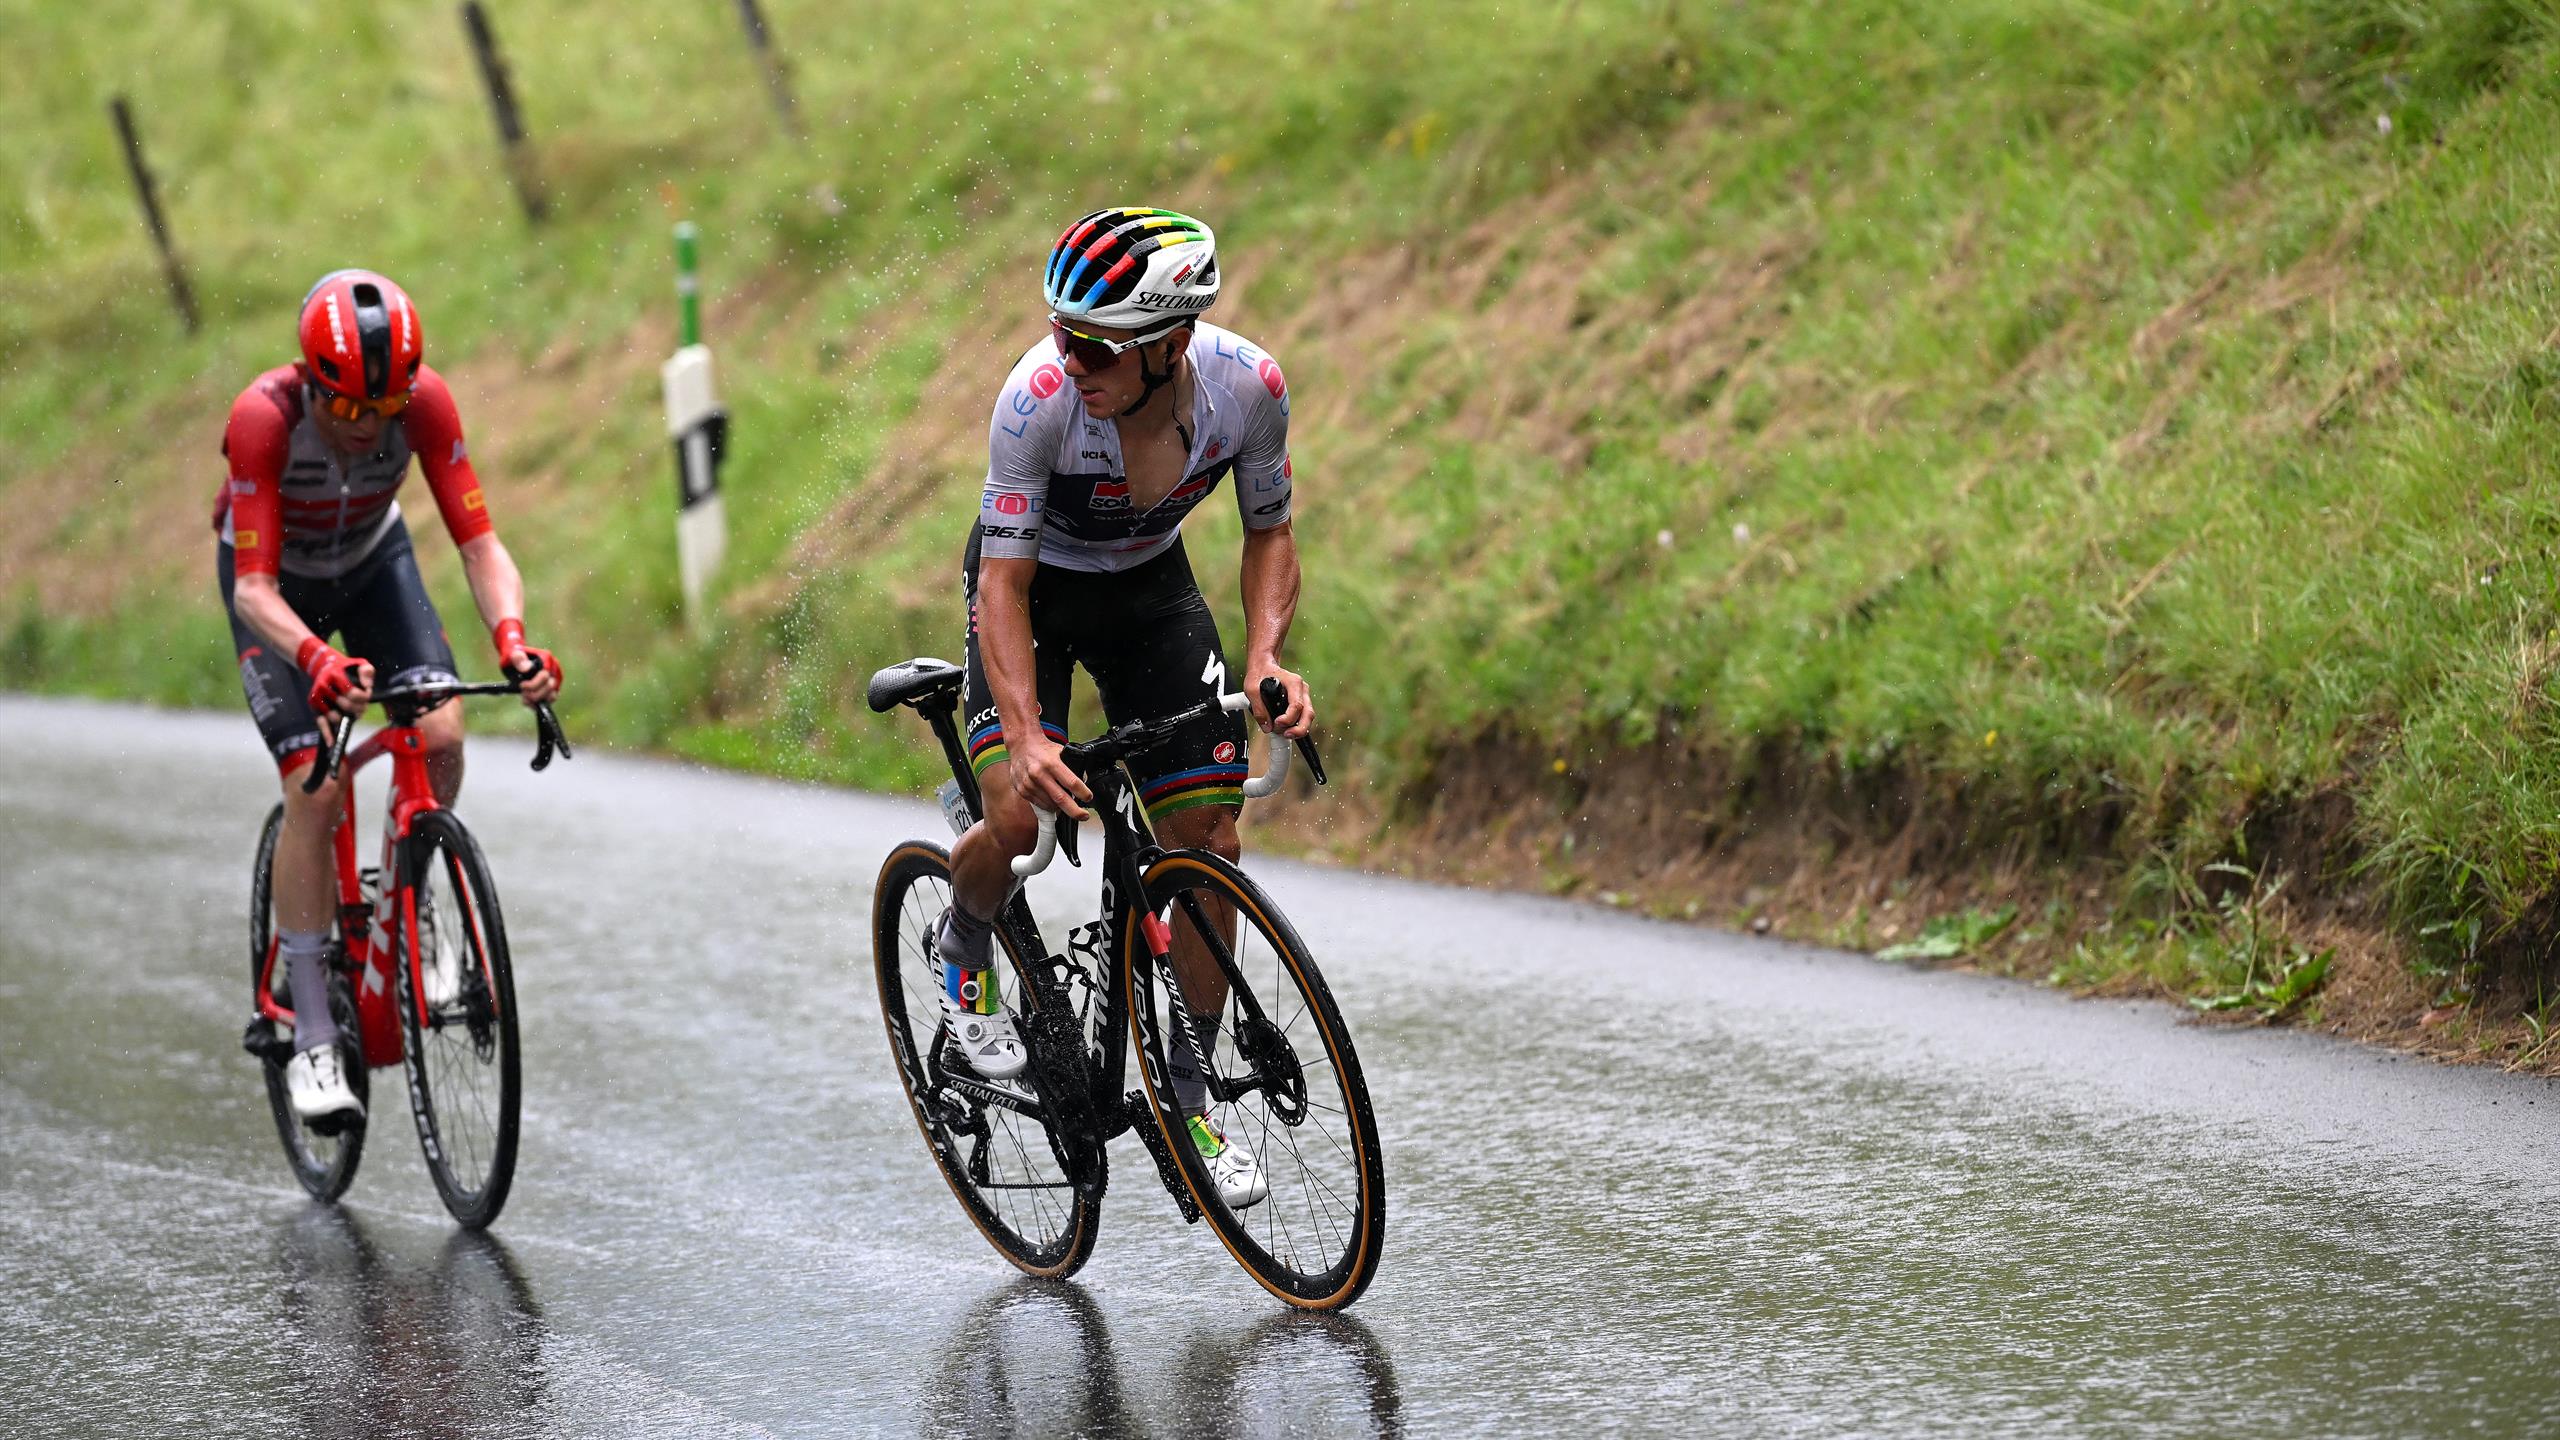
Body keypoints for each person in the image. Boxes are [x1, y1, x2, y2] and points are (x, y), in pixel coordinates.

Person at [937, 207, 1312, 1211]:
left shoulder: (1247, 390)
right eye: (1060, 331)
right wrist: (1022, 736)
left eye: (1096, 344)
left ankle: (1189, 1106)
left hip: (1150, 592)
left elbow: (1269, 533)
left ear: (1172, 341)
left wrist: (1269, 655)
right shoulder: (1036, 404)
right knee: (1019, 814)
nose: (1070, 355)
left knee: (1209, 841)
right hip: (1035, 595)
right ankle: (962, 942)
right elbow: (1004, 590)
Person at [216, 269, 562, 1130]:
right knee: (316, 783)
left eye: (385, 409)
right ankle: (314, 1031)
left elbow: (480, 544)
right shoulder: (264, 417)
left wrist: (512, 639)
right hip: (278, 592)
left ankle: (416, 913)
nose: (366, 426)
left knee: (440, 731)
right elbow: (253, 588)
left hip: (373, 563)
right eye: (348, 411)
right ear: (313, 382)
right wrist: (311, 656)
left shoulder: (426, 406)